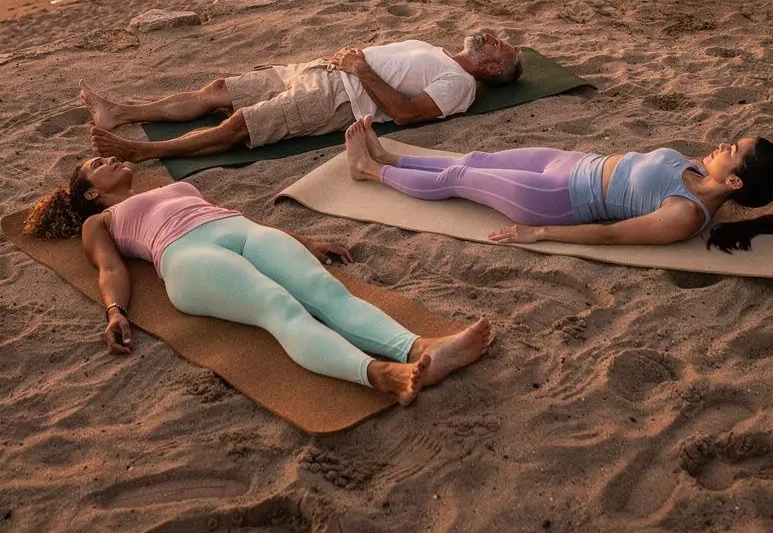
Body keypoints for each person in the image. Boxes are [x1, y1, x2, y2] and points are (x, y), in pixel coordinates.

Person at [24, 155, 493, 405]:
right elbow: (110, 269)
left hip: (242, 230)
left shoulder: (168, 186)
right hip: (186, 255)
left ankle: (419, 348)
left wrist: (302, 240)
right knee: (279, 306)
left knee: (325, 292)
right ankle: (380, 375)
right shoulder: (100, 221)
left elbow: (233, 216)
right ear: (91, 192)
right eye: (96, 164)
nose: (109, 158)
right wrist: (114, 311)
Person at [344, 119, 773, 252]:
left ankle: (367, 171)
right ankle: (390, 157)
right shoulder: (699, 169)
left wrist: (539, 233)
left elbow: (609, 235)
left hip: (560, 199)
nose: (723, 143)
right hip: (570, 162)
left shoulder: (685, 214)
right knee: (476, 159)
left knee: (458, 177)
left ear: (735, 179)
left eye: (733, 147)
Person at [80, 32, 522, 162]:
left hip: (337, 98)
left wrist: (362, 68)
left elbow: (406, 115)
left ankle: (142, 150)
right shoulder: (441, 51)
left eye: (500, 45)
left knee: (240, 126)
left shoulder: (460, 84)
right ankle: (119, 112)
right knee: (219, 91)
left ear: (491, 69)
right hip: (322, 69)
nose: (492, 37)